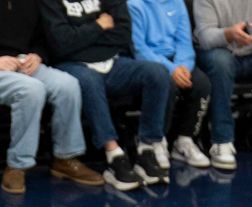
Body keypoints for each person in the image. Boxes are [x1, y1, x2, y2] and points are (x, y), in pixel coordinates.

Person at [0, 0, 103, 193]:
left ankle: (66, 158)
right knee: (31, 90)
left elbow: (41, 38)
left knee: (68, 85)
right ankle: (17, 165)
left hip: (21, 65)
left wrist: (36, 56)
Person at [41, 0, 171, 188]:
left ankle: (147, 148)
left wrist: (82, 38)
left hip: (112, 62)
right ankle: (114, 155)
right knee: (89, 80)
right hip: (71, 64)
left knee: (157, 73)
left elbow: (123, 34)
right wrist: (99, 26)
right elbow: (60, 43)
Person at [128, 0, 213, 168]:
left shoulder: (177, 3)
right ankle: (157, 141)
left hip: (178, 61)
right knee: (165, 82)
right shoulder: (133, 5)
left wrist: (184, 67)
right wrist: (171, 70)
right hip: (148, 62)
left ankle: (184, 140)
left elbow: (184, 41)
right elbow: (139, 49)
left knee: (202, 83)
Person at [193, 0, 252, 170]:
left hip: (250, 53)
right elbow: (205, 38)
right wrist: (229, 34)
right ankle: (221, 141)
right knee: (221, 61)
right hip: (216, 53)